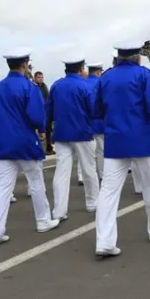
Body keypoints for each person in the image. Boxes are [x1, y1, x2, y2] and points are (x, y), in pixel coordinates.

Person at [94, 41, 150, 257]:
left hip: (115, 141)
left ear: (118, 55)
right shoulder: (146, 76)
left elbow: (96, 110)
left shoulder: (106, 77)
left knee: (108, 192)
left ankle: (104, 241)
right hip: (142, 140)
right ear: (138, 55)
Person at [0, 48, 58, 246]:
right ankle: (43, 220)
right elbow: (36, 115)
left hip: (2, 142)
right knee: (36, 181)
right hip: (25, 141)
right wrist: (42, 129)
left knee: (2, 187)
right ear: (25, 63)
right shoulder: (29, 87)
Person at [47, 55, 99, 221]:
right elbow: (93, 110)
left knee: (61, 172)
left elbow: (48, 110)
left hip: (62, 133)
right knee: (89, 169)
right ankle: (92, 203)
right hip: (82, 133)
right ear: (80, 69)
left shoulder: (56, 85)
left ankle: (59, 210)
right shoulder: (84, 86)